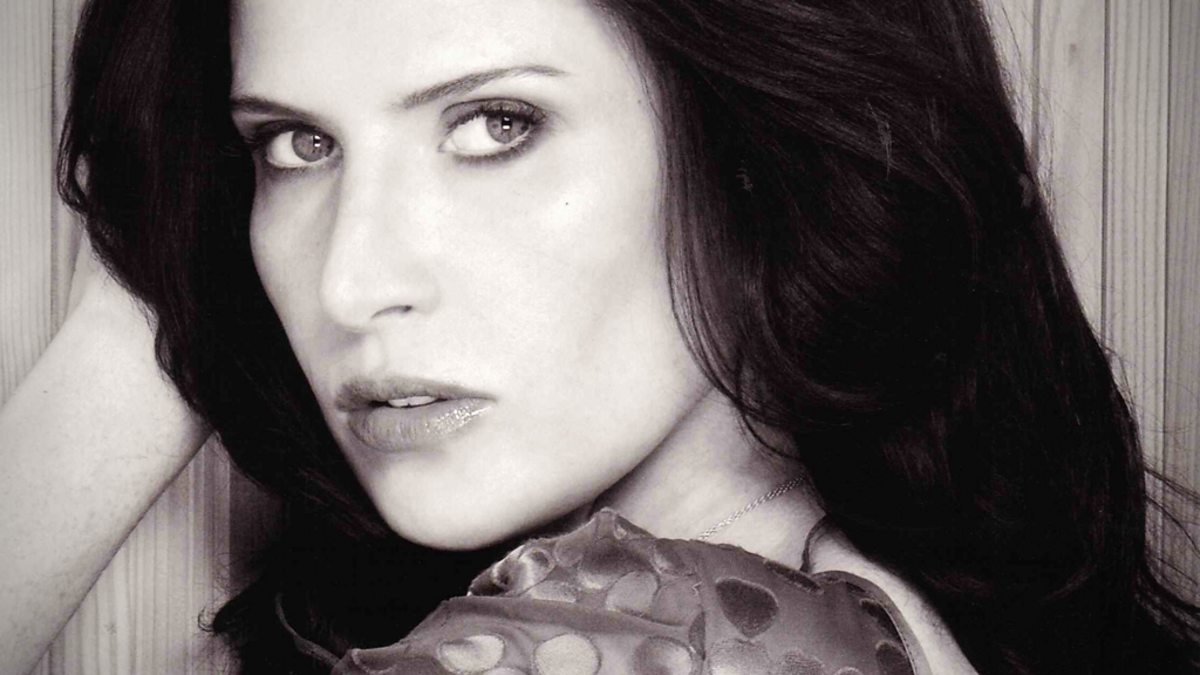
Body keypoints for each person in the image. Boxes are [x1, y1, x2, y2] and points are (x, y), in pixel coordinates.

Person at [2, 0, 1198, 672]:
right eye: (295, 145)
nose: (350, 281)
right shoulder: (865, 609)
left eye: (495, 124)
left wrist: (139, 313)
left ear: (759, 148)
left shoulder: (638, 647)